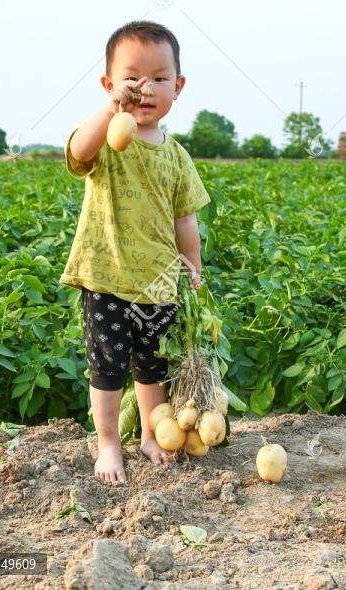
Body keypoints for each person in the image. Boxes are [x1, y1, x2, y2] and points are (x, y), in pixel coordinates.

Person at [59, 20, 211, 483]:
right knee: (107, 367)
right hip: (105, 276)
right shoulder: (107, 137)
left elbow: (186, 219)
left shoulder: (177, 156)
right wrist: (109, 111)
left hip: (159, 281)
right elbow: (77, 149)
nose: (144, 88)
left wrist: (194, 268)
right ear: (110, 85)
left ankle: (148, 434)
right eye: (131, 78)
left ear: (178, 87)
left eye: (159, 78)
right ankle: (107, 444)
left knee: (152, 367)